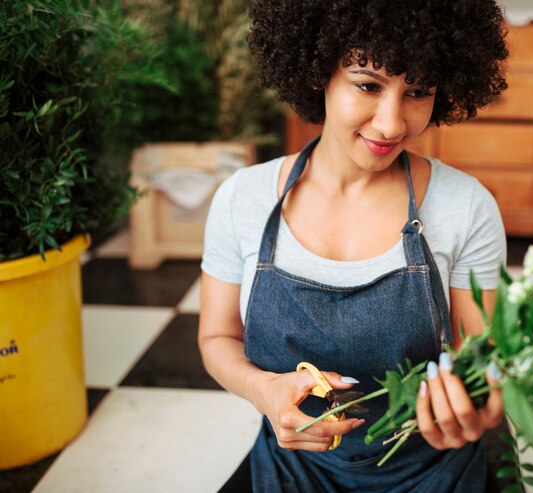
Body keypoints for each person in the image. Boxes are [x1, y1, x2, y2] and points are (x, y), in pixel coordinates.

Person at [198, 1, 509, 491]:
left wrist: (482, 403)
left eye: (418, 92)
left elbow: (483, 358)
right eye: (367, 84)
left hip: (433, 473)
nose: (391, 124)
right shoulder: (244, 198)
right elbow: (217, 340)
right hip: (288, 470)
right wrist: (264, 390)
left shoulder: (466, 207)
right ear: (318, 72)